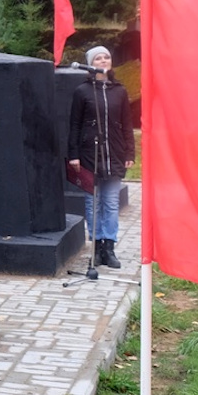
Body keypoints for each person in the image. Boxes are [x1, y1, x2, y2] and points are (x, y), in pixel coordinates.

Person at [67, 45, 134, 269]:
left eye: (106, 57)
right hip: (89, 154)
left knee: (111, 203)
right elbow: (74, 124)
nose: (103, 61)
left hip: (114, 153)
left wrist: (129, 152)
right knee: (92, 203)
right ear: (90, 64)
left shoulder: (120, 91)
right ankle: (96, 246)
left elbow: (127, 125)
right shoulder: (82, 91)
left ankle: (109, 247)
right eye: (98, 58)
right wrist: (73, 154)